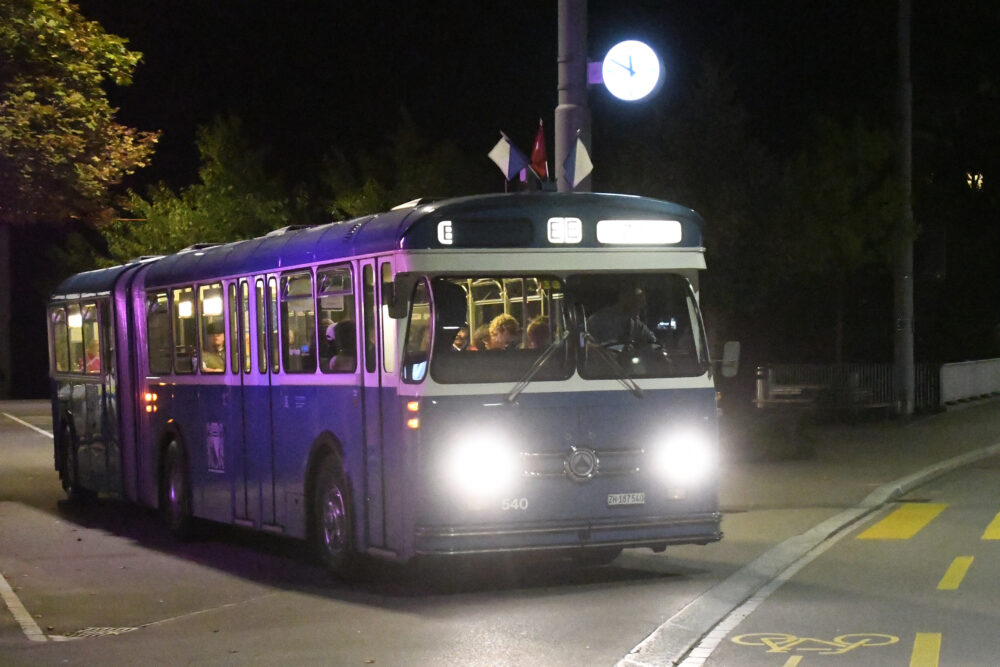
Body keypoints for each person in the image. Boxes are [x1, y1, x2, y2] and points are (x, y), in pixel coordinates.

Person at [586, 286, 657, 348]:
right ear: (623, 298)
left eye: (641, 303)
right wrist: (608, 347)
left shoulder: (636, 324)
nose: (640, 307)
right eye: (636, 301)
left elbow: (653, 341)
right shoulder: (599, 319)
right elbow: (584, 343)